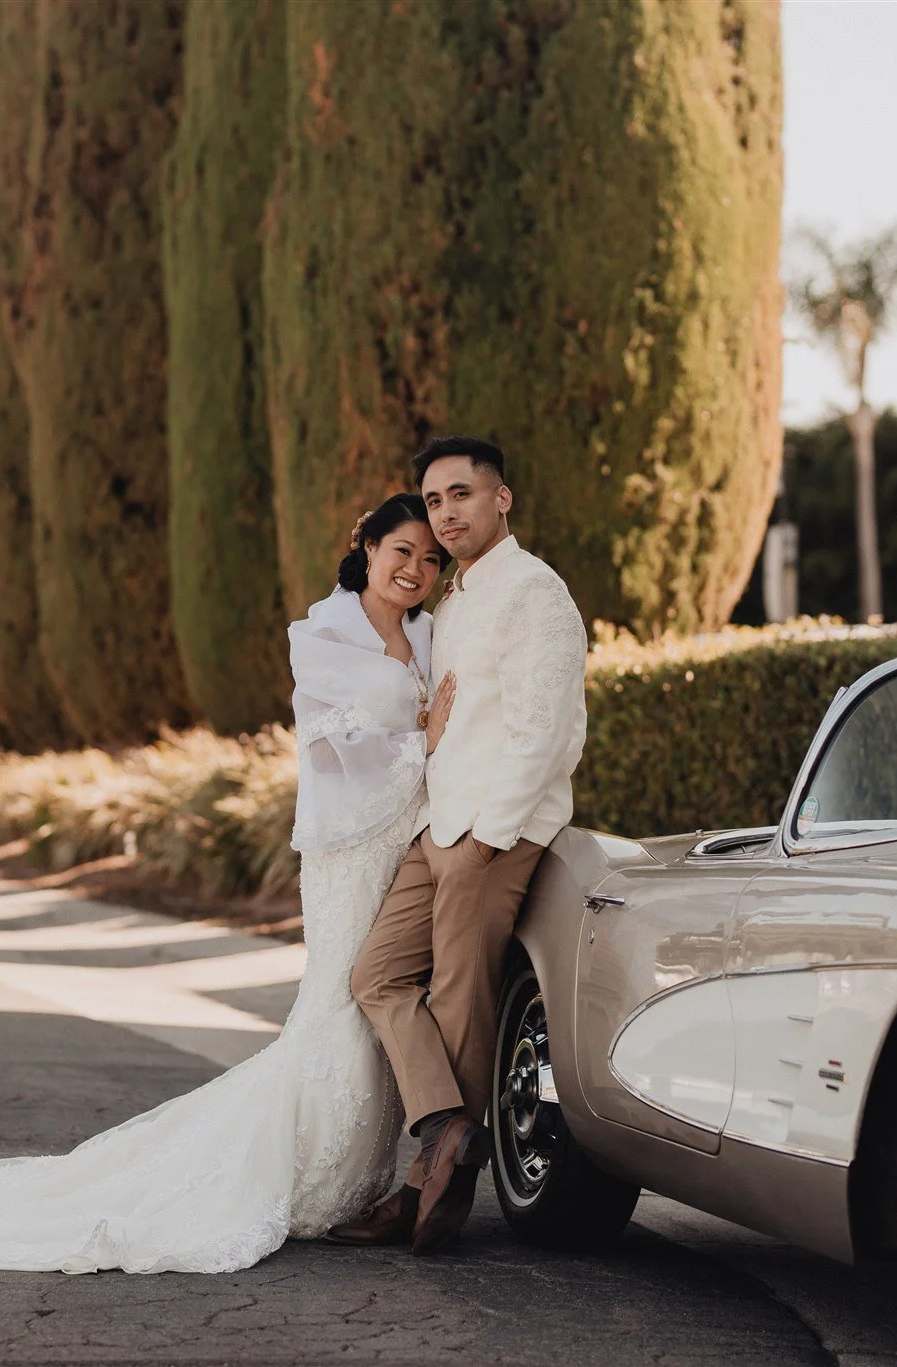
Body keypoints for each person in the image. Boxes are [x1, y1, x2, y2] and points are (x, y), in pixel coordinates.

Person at [0, 493, 456, 1273]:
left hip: (404, 843)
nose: (415, 568)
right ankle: (307, 1174)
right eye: (401, 550)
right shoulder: (323, 634)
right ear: (367, 547)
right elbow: (334, 748)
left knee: (380, 993)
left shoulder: (426, 633)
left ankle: (354, 1173)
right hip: (349, 847)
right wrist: (423, 740)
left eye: (430, 557)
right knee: (338, 999)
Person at [327, 436, 589, 1256]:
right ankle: (445, 1126)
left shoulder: (536, 592)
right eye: (435, 500)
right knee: (375, 975)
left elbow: (545, 731)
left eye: (461, 494)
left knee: (460, 999)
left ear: (501, 498)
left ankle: (425, 1192)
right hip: (437, 824)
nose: (445, 513)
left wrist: (487, 839)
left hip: (493, 832)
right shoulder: (454, 602)